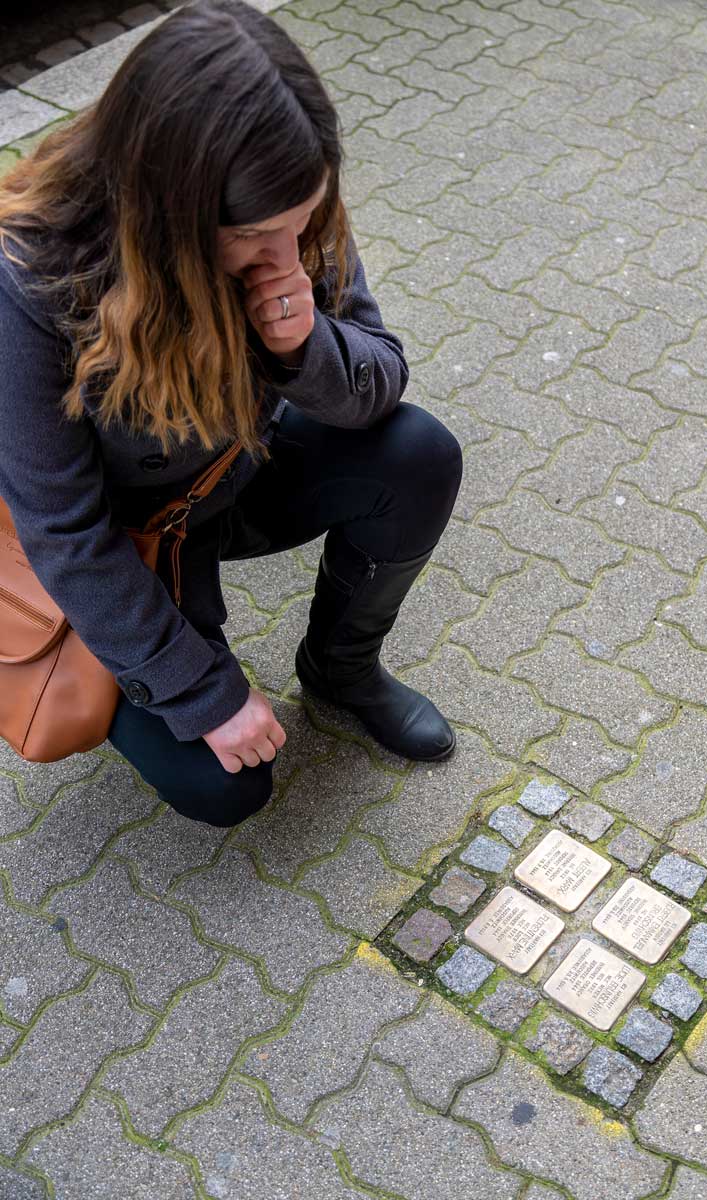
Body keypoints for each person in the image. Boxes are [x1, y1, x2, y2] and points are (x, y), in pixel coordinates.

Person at [0, 0, 463, 828]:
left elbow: (380, 373)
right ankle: (160, 668)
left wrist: (302, 341)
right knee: (228, 786)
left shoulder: (285, 196)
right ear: (168, 214)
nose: (288, 257)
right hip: (128, 534)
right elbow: (64, 532)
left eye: (303, 225)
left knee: (419, 454)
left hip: (234, 469)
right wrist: (204, 691)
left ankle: (341, 670)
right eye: (256, 237)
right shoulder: (31, 274)